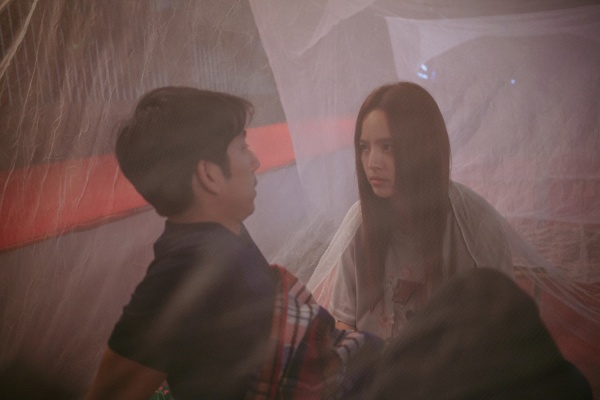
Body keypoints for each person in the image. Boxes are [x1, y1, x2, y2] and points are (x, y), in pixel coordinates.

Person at [85, 87, 382, 400]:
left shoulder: (222, 237)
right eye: (242, 148)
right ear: (209, 175)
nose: (254, 161)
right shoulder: (181, 272)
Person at [308, 81, 514, 340]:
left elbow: (500, 332)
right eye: (364, 147)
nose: (372, 163)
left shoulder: (474, 227)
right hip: (373, 364)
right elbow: (345, 320)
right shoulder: (360, 223)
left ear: (421, 149)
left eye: (388, 147)